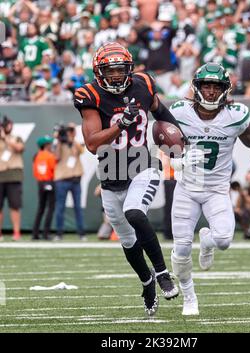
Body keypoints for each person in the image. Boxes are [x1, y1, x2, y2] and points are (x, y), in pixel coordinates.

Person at [74, 42, 180, 316]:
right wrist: (120, 124)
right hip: (110, 173)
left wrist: (177, 136)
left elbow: (159, 110)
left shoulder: (143, 83)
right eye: (110, 72)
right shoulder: (90, 95)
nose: (117, 77)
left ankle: (162, 273)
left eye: (121, 71)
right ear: (99, 73)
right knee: (127, 240)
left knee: (135, 212)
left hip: (142, 166)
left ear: (129, 70)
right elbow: (92, 143)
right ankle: (147, 283)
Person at [169, 62, 250, 316]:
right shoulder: (180, 112)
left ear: (225, 89)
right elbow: (159, 140)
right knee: (181, 248)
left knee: (224, 241)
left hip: (217, 189)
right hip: (187, 188)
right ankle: (189, 297)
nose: (211, 92)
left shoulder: (235, 115)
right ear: (197, 87)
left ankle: (207, 241)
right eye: (206, 85)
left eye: (216, 86)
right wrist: (176, 161)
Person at [53, 122, 86, 240]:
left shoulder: (75, 143)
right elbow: (56, 157)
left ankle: (81, 233)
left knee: (78, 207)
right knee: (60, 207)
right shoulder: (59, 143)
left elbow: (81, 151)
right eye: (69, 130)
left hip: (75, 178)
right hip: (62, 179)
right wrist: (58, 141)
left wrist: (71, 140)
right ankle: (59, 233)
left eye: (72, 129)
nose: (70, 132)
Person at [0, 116, 25, 241]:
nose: (10, 127)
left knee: (14, 206)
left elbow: (19, 148)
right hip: (1, 174)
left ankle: (16, 232)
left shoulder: (16, 138)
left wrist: (6, 139)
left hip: (14, 175)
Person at [32, 135, 56, 240]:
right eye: (49, 144)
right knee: (50, 208)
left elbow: (35, 171)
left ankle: (35, 233)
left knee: (41, 208)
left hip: (40, 183)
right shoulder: (50, 156)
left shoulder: (37, 155)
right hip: (49, 181)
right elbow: (54, 169)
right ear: (46, 145)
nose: (51, 145)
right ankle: (46, 233)